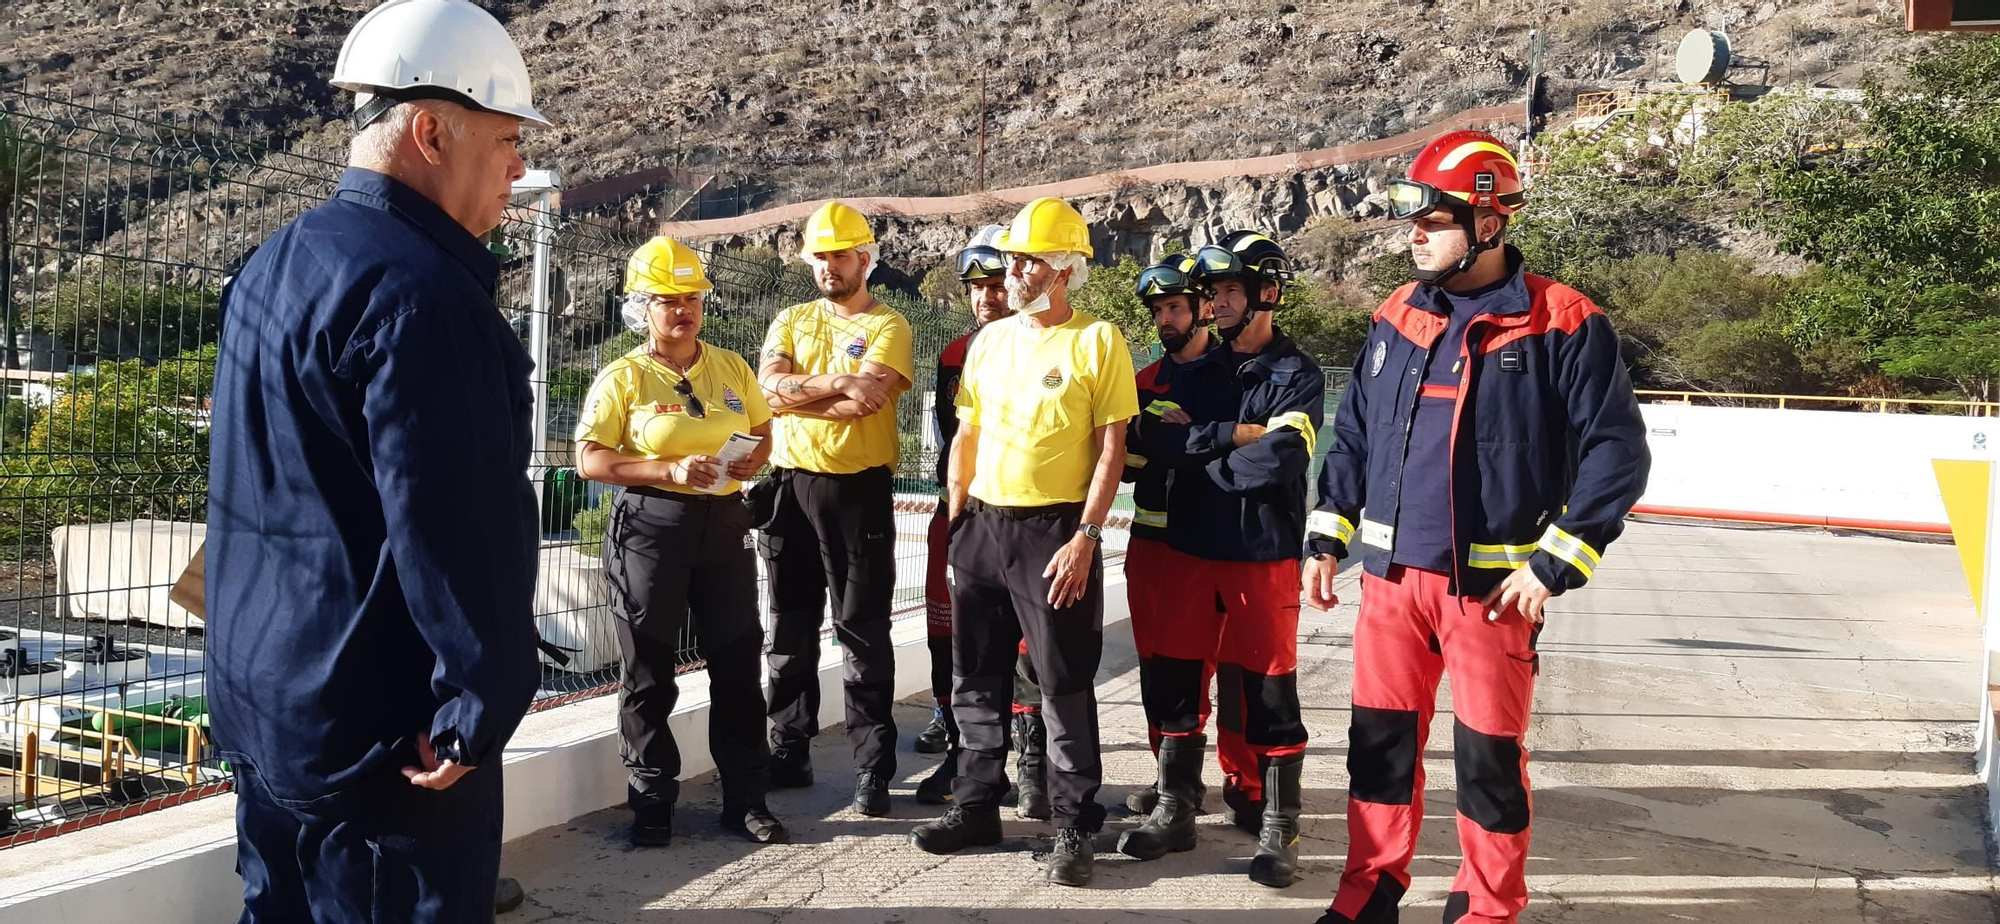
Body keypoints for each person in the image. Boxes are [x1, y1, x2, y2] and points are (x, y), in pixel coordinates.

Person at [205, 0, 550, 918]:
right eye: (506, 138)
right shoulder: (425, 299)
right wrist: (476, 714)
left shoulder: (275, 261)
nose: (520, 166)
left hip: (266, 710)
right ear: (432, 131)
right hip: (387, 747)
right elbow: (456, 534)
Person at [1304, 131, 1651, 924]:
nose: (1415, 234)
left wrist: (1555, 565)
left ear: (1489, 225)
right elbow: (1352, 431)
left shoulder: (1561, 320)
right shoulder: (1397, 313)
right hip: (1391, 588)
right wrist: (1329, 535)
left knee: (1488, 761)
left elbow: (1617, 454)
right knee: (1379, 752)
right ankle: (1370, 893)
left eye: (1435, 218)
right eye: (1412, 220)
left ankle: (1487, 908)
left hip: (1493, 595)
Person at [908, 196, 1138, 888]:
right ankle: (977, 802)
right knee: (974, 673)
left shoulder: (1098, 341)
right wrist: (957, 520)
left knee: (1062, 681)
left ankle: (1073, 821)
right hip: (982, 526)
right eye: (1012, 258)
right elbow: (967, 436)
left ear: (1065, 268)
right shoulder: (990, 341)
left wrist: (1086, 538)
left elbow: (1111, 452)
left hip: (1054, 532)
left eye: (1029, 259)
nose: (1014, 270)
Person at [1119, 233, 1324, 889]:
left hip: (1259, 557)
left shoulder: (1299, 375)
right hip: (1185, 552)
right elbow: (1154, 440)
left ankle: (1277, 828)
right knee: (1176, 688)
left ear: (1268, 291)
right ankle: (1177, 809)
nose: (1219, 302)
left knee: (1268, 694)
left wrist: (1200, 447)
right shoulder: (1192, 367)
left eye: (1231, 290)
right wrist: (1232, 441)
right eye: (1214, 292)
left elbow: (1282, 459)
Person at [575, 236, 786, 848]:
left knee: (738, 664)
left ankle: (746, 799)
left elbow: (762, 429)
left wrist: (752, 462)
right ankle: (651, 801)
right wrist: (664, 470)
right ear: (642, 307)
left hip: (723, 526)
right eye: (668, 299)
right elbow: (590, 459)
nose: (682, 310)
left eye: (691, 297)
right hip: (650, 527)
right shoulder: (625, 376)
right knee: (648, 669)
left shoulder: (730, 366)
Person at [756, 200, 915, 816]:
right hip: (788, 486)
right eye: (819, 255)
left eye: (839, 254)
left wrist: (799, 395)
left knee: (863, 629)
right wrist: (837, 383)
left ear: (865, 258)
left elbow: (865, 404)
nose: (828, 265)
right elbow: (767, 392)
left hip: (856, 492)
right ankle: (787, 748)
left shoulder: (889, 326)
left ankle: (873, 766)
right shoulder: (791, 318)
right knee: (790, 626)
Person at [916, 227, 1051, 822]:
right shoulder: (955, 353)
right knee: (952, 635)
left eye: (997, 284)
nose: (986, 298)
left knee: (1025, 642)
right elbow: (955, 438)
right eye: (976, 287)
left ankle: (1032, 760)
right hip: (963, 513)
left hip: (1026, 516)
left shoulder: (1051, 346)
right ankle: (962, 750)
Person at [1109, 253, 1226, 820]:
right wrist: (1144, 438)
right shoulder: (1143, 381)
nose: (1165, 320)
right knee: (1155, 664)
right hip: (1149, 544)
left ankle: (1205, 785)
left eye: (1175, 307)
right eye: (1157, 311)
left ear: (1205, 307)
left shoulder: (1232, 374)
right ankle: (1169, 780)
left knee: (1200, 668)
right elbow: (1128, 465)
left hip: (1208, 546)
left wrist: (1186, 438)